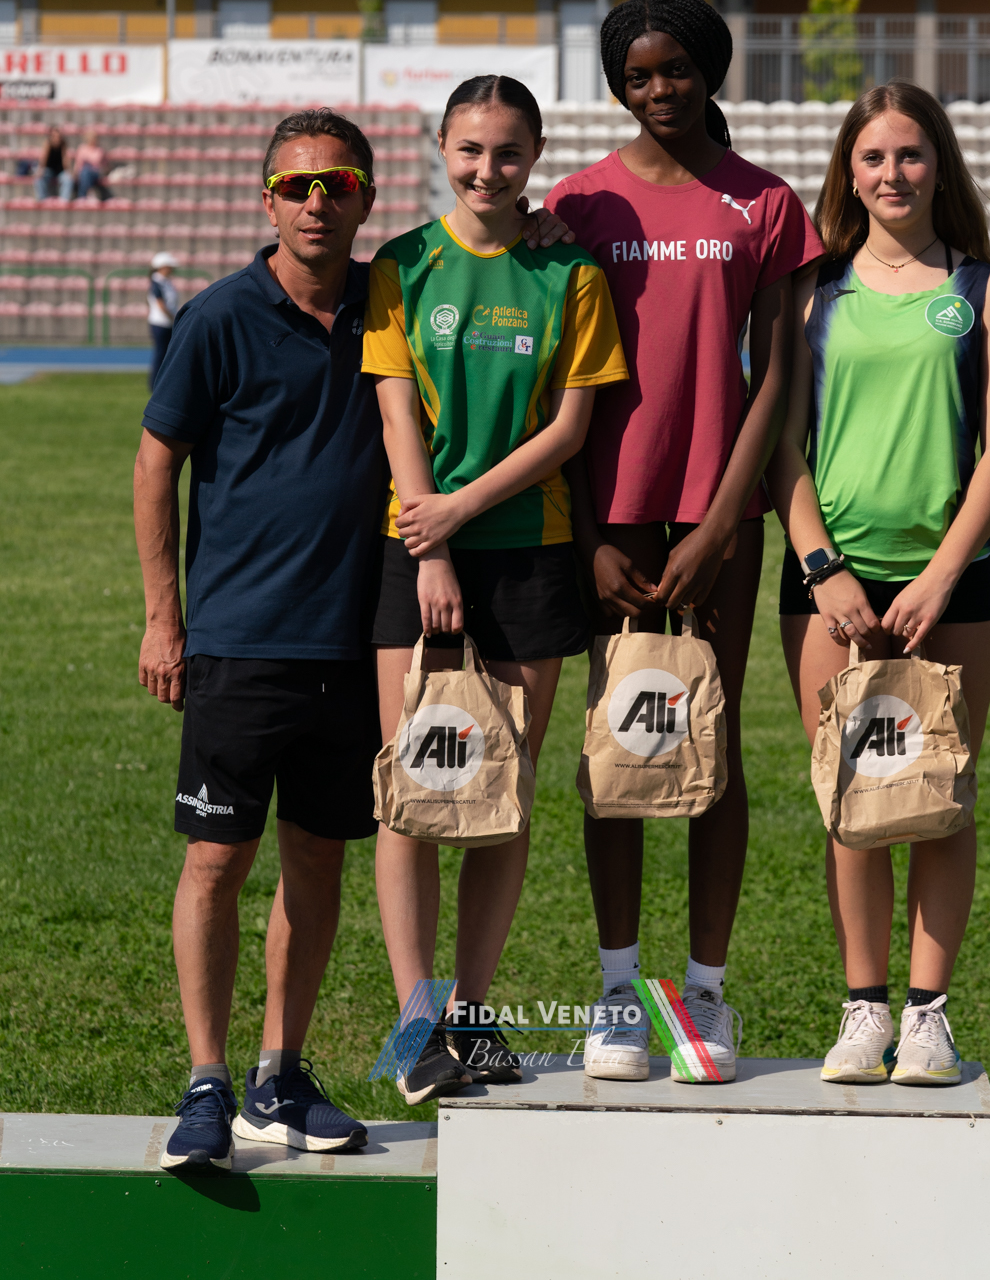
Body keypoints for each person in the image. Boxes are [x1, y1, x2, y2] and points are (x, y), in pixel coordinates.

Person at [545, 0, 823, 1084]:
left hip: (723, 514)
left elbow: (777, 375)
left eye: (675, 69)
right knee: (617, 737)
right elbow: (559, 383)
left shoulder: (766, 202)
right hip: (608, 513)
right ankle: (618, 989)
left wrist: (719, 523)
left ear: (711, 69)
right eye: (637, 75)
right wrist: (587, 537)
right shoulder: (577, 203)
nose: (658, 89)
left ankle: (704, 994)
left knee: (713, 740)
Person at [363, 74, 628, 1105]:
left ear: (535, 156)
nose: (487, 169)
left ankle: (471, 1014)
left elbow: (568, 431)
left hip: (528, 551)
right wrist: (429, 543)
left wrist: (459, 513)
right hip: (417, 547)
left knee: (497, 795)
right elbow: (397, 415)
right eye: (470, 150)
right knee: (412, 789)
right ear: (442, 149)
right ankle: (416, 1022)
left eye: (508, 152)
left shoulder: (570, 272)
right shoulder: (403, 265)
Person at [134, 108, 386, 1172]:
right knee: (216, 860)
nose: (316, 201)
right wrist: (165, 616)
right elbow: (157, 463)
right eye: (296, 185)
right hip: (239, 638)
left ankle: (280, 1075)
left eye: (337, 183)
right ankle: (206, 1079)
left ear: (366, 197)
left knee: (318, 857)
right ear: (266, 199)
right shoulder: (217, 317)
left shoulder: (392, 303)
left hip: (357, 641)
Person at [766, 80, 990, 1088]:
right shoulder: (813, 292)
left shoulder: (982, 289)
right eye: (873, 157)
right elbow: (780, 446)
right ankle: (863, 1008)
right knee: (852, 796)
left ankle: (927, 1016)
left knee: (941, 797)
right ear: (849, 169)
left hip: (951, 583)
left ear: (939, 165)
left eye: (910, 154)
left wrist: (941, 575)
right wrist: (821, 568)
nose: (892, 174)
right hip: (832, 588)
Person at [147, 252, 180, 389]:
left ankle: (161, 382)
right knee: (161, 353)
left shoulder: (165, 282)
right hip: (161, 323)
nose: (172, 269)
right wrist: (174, 318)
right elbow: (160, 304)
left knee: (166, 353)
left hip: (166, 323)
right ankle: (155, 383)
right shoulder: (157, 282)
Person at [36, 125, 73, 200]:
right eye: (54, 136)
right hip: (49, 171)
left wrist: (69, 171)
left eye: (58, 136)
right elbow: (43, 160)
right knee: (39, 179)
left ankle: (64, 201)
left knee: (68, 179)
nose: (56, 138)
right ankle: (42, 201)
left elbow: (66, 163)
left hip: (60, 172)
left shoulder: (63, 145)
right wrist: (40, 171)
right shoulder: (48, 144)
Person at [74, 131, 111, 200]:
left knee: (86, 172)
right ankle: (88, 193)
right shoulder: (82, 149)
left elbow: (105, 165)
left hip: (96, 173)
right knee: (85, 173)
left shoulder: (100, 150)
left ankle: (82, 197)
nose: (92, 140)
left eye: (94, 138)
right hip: (83, 173)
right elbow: (78, 164)